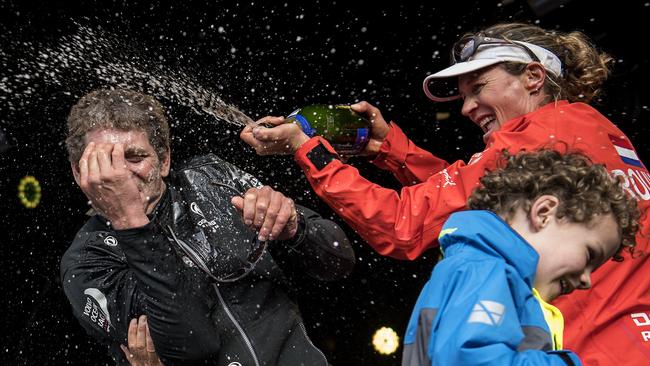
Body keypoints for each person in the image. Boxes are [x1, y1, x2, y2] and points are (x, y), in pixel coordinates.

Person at [241, 22, 650, 364]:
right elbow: (480, 193)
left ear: (533, 76)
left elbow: (403, 225)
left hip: (591, 350)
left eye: (479, 87)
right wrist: (389, 149)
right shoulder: (595, 128)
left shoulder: (532, 138)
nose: (468, 106)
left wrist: (309, 151)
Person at [60, 88, 355, 365]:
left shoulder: (211, 179)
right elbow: (193, 342)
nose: (122, 174)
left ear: (164, 161)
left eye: (135, 157)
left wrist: (295, 227)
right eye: (105, 162)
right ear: (79, 172)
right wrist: (130, 222)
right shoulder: (88, 260)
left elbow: (339, 261)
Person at [402, 149, 639, 365]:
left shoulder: (483, 273)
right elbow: (471, 359)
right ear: (544, 212)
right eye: (589, 255)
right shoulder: (484, 270)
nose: (587, 280)